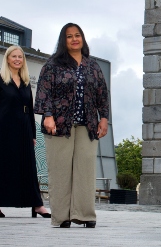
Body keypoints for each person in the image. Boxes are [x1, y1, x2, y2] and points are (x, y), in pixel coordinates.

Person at [34, 23, 109, 228]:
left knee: (85, 171)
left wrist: (104, 118)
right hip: (58, 125)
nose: (74, 39)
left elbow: (102, 94)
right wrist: (47, 115)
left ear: (82, 39)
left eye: (77, 35)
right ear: (63, 40)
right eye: (69, 36)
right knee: (59, 172)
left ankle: (85, 215)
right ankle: (61, 217)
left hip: (87, 125)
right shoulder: (53, 64)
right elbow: (43, 92)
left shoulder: (92, 66)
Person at [0, 45, 51, 219]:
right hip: (3, 129)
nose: (17, 59)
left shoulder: (26, 82)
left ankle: (37, 205)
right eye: (14, 56)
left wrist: (33, 134)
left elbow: (29, 108)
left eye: (20, 57)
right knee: (2, 166)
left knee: (28, 167)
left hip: (24, 129)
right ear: (7, 59)